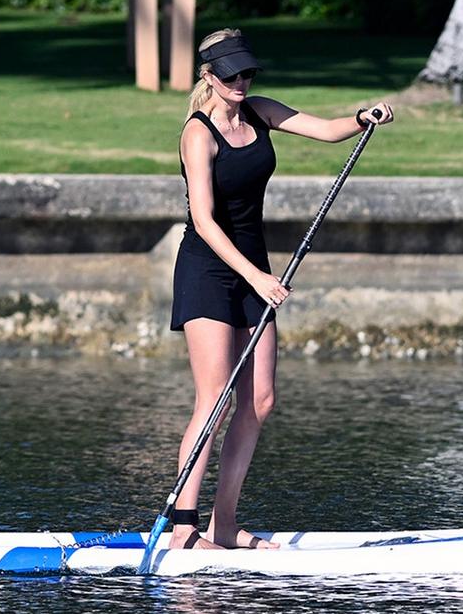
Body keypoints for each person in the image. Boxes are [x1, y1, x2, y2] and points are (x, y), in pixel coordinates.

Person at [168, 28, 393, 550]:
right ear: (208, 77)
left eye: (247, 72)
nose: (242, 82)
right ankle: (183, 528)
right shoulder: (197, 134)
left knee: (261, 399)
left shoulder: (261, 111)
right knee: (214, 399)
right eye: (232, 75)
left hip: (256, 271)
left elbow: (327, 129)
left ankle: (224, 524)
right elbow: (202, 220)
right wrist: (255, 277)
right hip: (209, 269)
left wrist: (363, 118)